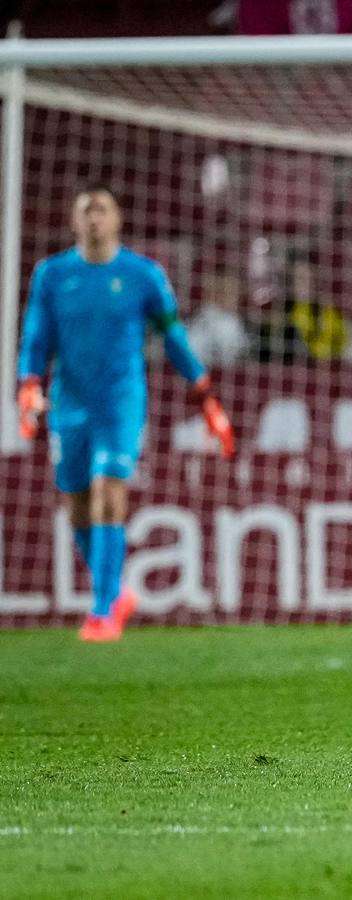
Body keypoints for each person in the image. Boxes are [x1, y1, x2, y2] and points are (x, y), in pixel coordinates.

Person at [17, 186, 235, 642]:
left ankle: (101, 612)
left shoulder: (143, 275)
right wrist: (29, 384)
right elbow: (37, 336)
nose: (94, 217)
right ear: (74, 222)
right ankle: (116, 591)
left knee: (107, 492)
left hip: (121, 402)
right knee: (77, 505)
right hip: (69, 403)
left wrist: (204, 392)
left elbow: (173, 337)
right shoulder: (52, 275)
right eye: (86, 210)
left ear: (118, 220)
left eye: (102, 209)